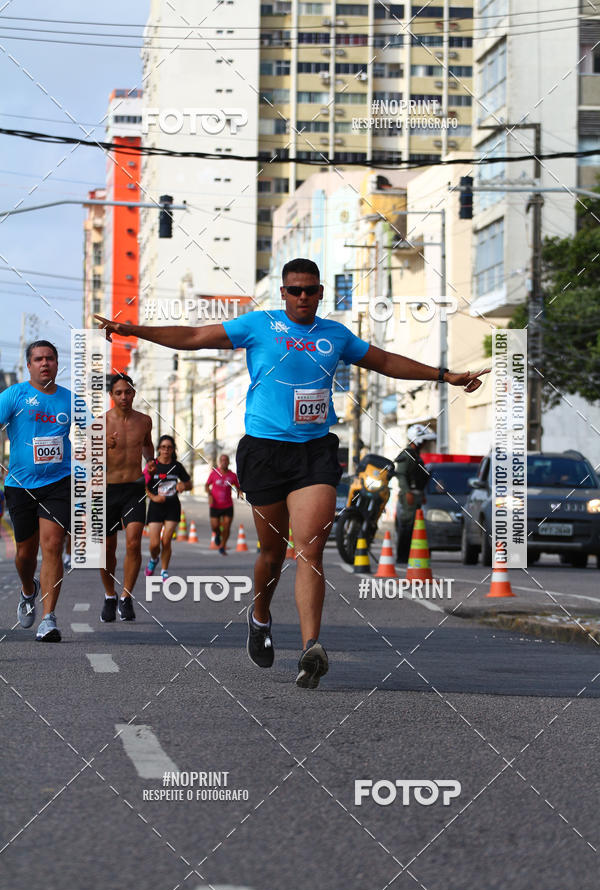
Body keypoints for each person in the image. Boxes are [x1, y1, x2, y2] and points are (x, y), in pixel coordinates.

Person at [95, 258, 489, 688]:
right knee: (270, 552)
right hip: (263, 452)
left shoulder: (335, 334)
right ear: (283, 293)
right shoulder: (258, 325)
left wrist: (445, 376)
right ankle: (260, 615)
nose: (303, 297)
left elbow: (385, 361)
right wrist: (134, 331)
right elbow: (192, 337)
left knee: (309, 550)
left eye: (311, 290)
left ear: (321, 293)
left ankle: (310, 648)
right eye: (295, 290)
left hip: (315, 452)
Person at [0, 341, 72, 641]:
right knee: (25, 554)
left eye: (51, 359)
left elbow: (95, 433)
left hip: (59, 482)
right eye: (39, 359)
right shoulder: (15, 394)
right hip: (19, 485)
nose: (45, 364)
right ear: (29, 365)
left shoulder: (71, 399)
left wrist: (105, 441)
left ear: (57, 364)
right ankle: (29, 590)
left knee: (53, 545)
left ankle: (49, 618)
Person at [100, 373, 154, 623]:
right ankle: (110, 595)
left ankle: (126, 596)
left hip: (134, 489)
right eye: (119, 392)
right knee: (107, 549)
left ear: (134, 393)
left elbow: (147, 445)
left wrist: (151, 462)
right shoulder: (99, 423)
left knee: (133, 543)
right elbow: (83, 456)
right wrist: (101, 445)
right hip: (107, 490)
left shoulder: (144, 421)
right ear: (111, 395)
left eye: (128, 392)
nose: (124, 397)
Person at [144, 435, 192, 580]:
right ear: (159, 448)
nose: (166, 450)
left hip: (172, 506)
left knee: (166, 540)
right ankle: (153, 559)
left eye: (169, 447)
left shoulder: (177, 466)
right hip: (155, 506)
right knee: (154, 544)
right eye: (163, 447)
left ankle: (164, 570)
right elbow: (143, 485)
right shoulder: (152, 465)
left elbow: (188, 483)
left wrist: (183, 485)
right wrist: (154, 497)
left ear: (173, 450)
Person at [395, 424, 436, 564]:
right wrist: (407, 492)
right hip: (409, 495)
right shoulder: (407, 455)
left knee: (415, 526)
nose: (425, 444)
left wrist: (422, 494)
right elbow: (401, 475)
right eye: (423, 441)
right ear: (417, 440)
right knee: (407, 525)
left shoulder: (416, 456)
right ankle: (402, 557)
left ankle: (413, 555)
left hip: (417, 494)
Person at [205, 454, 240, 555]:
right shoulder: (214, 473)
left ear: (229, 462)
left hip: (228, 505)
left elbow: (238, 486)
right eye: (222, 460)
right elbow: (207, 485)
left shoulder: (232, 475)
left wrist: (240, 492)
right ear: (220, 462)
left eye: (226, 460)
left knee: (227, 526)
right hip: (215, 505)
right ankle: (217, 534)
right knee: (215, 526)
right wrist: (209, 494)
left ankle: (222, 546)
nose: (224, 462)